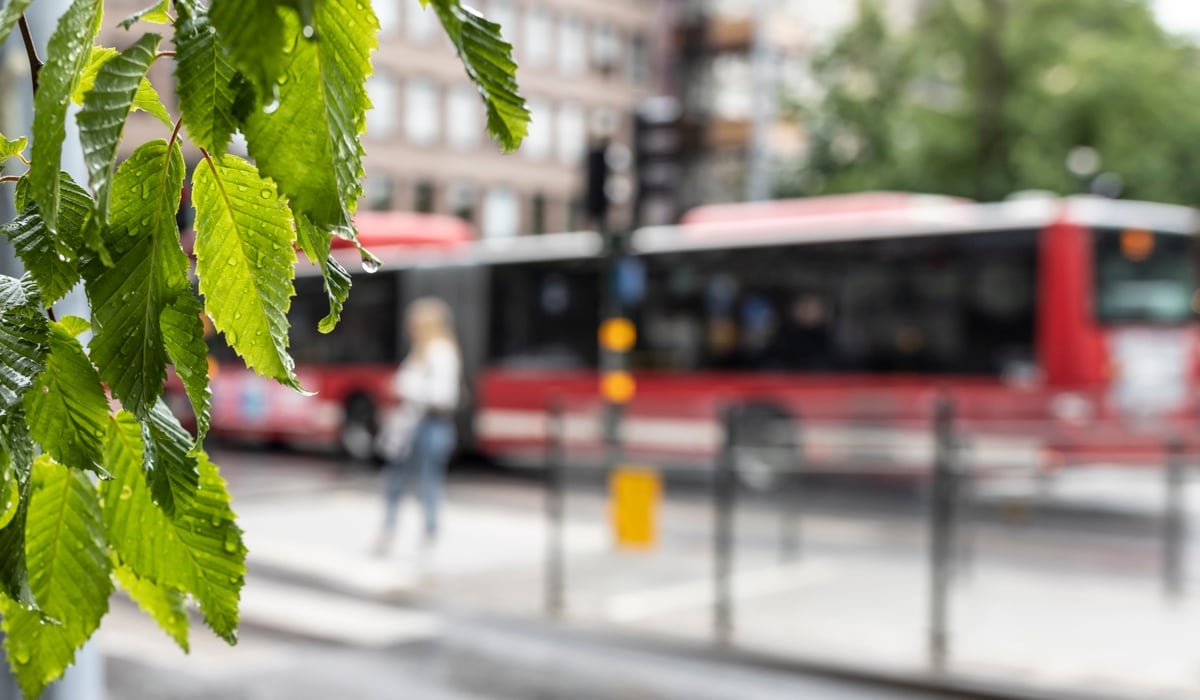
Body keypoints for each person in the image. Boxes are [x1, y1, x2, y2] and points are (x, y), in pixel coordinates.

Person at [375, 297, 461, 555]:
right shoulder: (420, 351)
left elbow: (444, 395)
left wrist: (404, 387)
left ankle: (428, 533)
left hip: (430, 425)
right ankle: (391, 531)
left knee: (426, 483)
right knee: (396, 480)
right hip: (413, 424)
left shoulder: (441, 352)